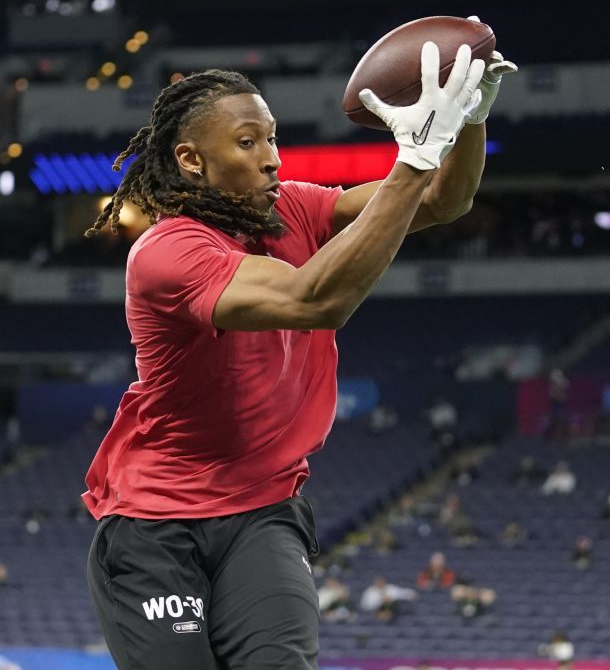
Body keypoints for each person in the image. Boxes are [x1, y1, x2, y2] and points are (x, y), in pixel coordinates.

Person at [80, 40, 516, 669]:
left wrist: (468, 120)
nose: (271, 159)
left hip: (263, 510)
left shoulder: (291, 210)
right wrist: (414, 159)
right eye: (249, 142)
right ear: (191, 159)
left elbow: (443, 202)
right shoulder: (167, 254)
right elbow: (315, 300)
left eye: (272, 138)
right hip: (156, 527)